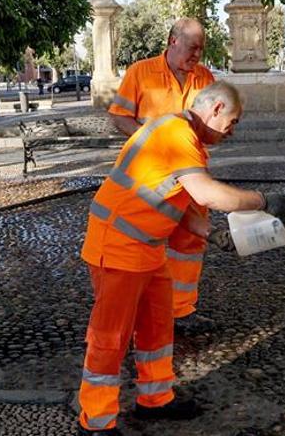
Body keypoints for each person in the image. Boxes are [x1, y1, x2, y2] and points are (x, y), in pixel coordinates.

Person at [77, 82, 285, 435]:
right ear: (215, 109)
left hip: (146, 248)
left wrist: (212, 235)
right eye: (234, 121)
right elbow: (207, 193)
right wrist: (263, 200)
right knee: (110, 337)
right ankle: (96, 421)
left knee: (157, 327)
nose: (233, 131)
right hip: (117, 247)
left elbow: (173, 204)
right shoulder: (177, 133)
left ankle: (155, 399)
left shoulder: (182, 137)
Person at [107, 17, 218, 334]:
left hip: (190, 176)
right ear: (173, 41)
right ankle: (141, 311)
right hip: (149, 175)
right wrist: (153, 140)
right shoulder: (140, 72)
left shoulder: (205, 77)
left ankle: (181, 311)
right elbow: (119, 118)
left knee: (190, 241)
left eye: (201, 49)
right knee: (143, 241)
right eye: (192, 48)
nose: (197, 55)